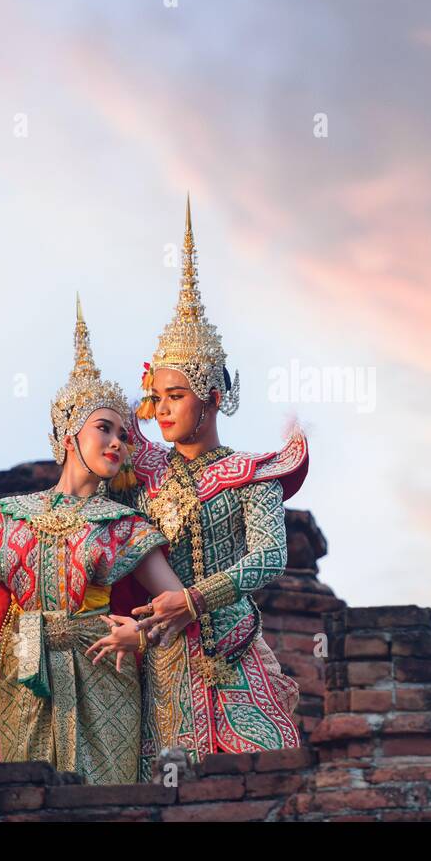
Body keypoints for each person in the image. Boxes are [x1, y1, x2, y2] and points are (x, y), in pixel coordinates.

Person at [0, 297, 188, 784]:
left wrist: (143, 635)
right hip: (24, 677)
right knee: (31, 795)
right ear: (69, 435)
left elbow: (173, 604)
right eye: (104, 429)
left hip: (105, 674)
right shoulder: (12, 518)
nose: (118, 443)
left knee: (106, 803)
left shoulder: (123, 526)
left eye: (125, 436)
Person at [124, 197, 309, 767]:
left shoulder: (250, 473)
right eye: (156, 398)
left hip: (231, 645)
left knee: (267, 768)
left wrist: (196, 599)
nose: (162, 409)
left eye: (175, 396)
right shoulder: (142, 472)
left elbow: (269, 556)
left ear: (213, 397)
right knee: (168, 781)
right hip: (162, 652)